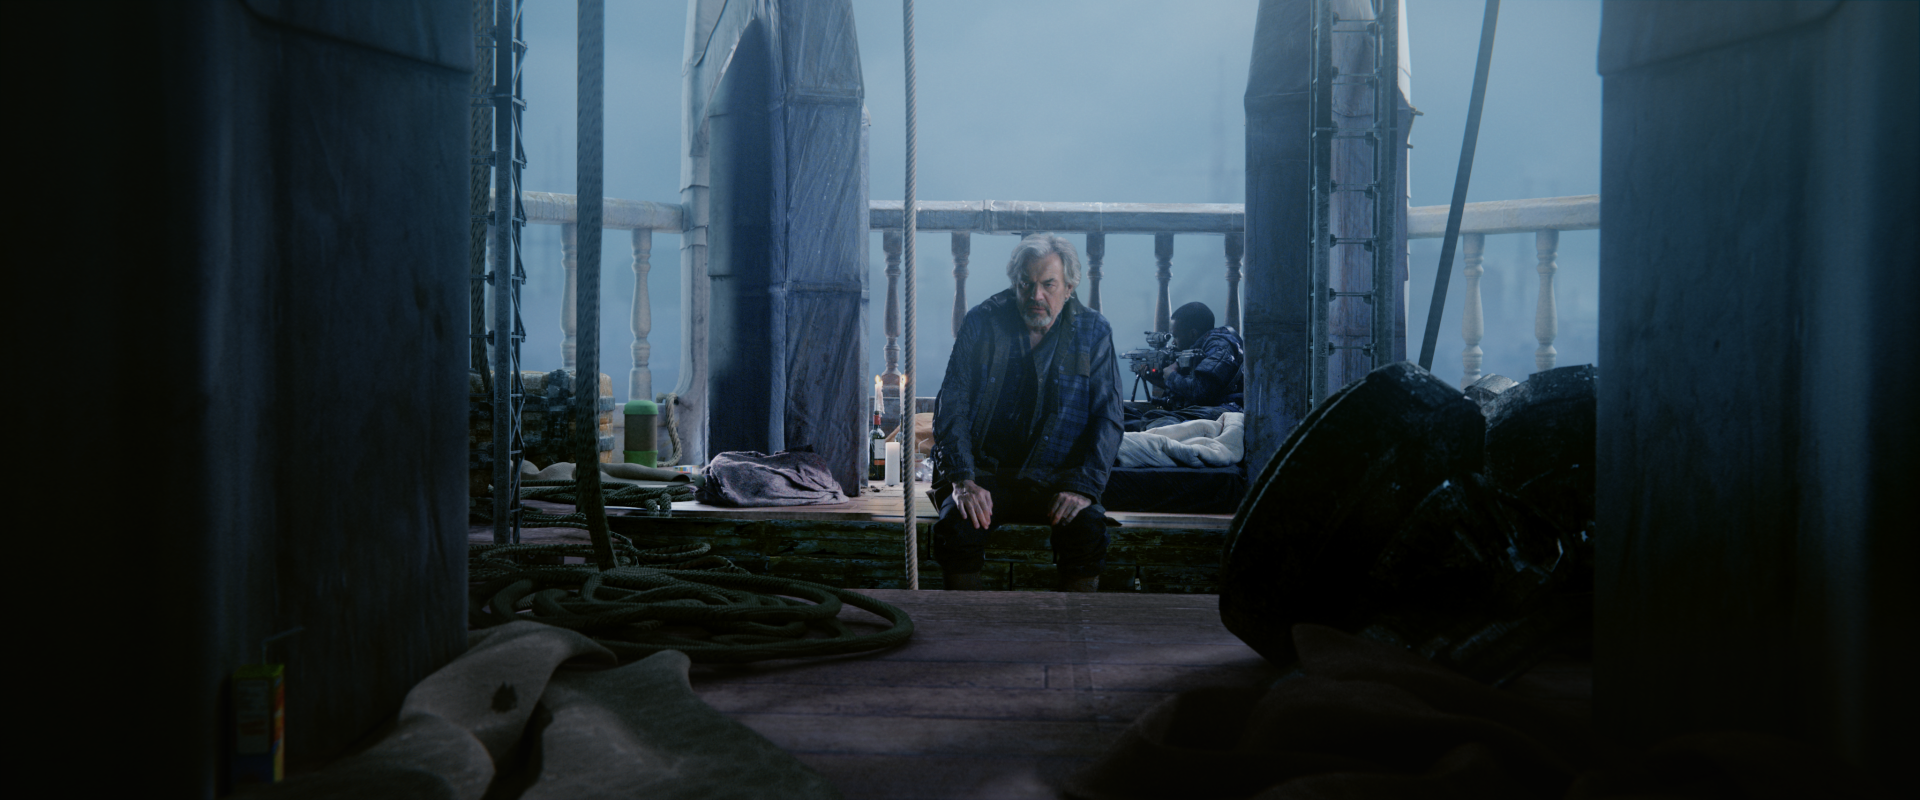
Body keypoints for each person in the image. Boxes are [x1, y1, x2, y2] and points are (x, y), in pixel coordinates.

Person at [929, 233, 1123, 593]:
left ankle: (1077, 625)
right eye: (1026, 284)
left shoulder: (1094, 330)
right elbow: (952, 404)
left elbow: (1108, 417)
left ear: (1069, 287)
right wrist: (963, 480)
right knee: (957, 528)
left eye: (1048, 284)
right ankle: (963, 624)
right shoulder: (982, 321)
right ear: (1015, 284)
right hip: (985, 474)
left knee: (1088, 530)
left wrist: (1083, 488)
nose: (1036, 295)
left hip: (1058, 479)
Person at [1131, 301, 1245, 409]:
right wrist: (1158, 381)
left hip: (1229, 408)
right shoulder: (1203, 347)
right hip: (1215, 408)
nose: (1173, 342)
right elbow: (1194, 390)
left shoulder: (1219, 346)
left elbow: (1200, 393)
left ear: (1192, 334)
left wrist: (1171, 376)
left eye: (1176, 336)